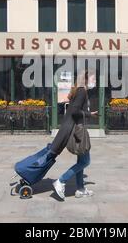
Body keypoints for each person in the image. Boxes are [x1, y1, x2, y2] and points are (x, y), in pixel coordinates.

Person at [51, 70, 98, 200]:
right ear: (86, 80)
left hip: (78, 129)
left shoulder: (79, 91)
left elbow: (75, 110)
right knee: (86, 161)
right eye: (93, 79)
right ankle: (61, 181)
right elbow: (75, 111)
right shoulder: (82, 91)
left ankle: (80, 189)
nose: (95, 82)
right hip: (79, 131)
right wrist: (90, 114)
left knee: (81, 161)